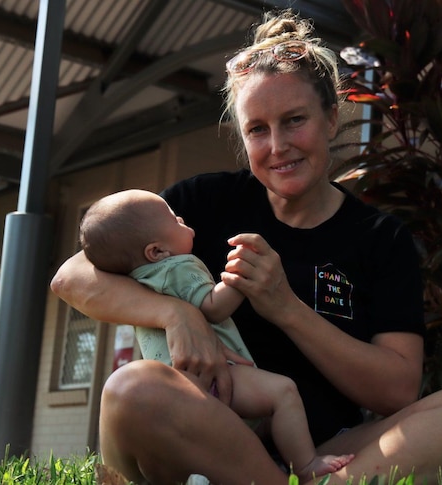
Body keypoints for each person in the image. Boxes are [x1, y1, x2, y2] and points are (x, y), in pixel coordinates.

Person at [50, 9, 442, 485]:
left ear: (332, 118)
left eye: (294, 120)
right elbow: (72, 277)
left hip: (324, 451)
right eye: (257, 129)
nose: (278, 146)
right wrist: (179, 315)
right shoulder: (203, 202)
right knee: (131, 388)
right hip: (199, 440)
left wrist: (286, 307)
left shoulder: (380, 238)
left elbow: (397, 390)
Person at [77, 188, 354, 481]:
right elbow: (213, 307)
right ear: (156, 251)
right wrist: (240, 275)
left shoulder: (134, 280)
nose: (181, 218)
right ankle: (305, 464)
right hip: (209, 377)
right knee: (282, 392)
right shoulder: (178, 268)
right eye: (174, 219)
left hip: (175, 388)